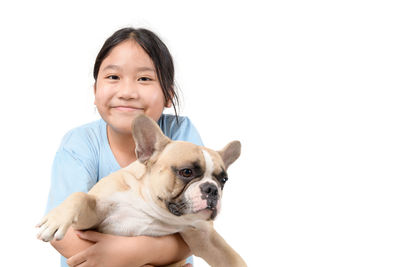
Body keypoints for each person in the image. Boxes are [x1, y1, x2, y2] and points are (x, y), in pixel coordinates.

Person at [45, 27, 203, 267]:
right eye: (113, 77)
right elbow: (60, 232)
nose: (127, 93)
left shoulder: (181, 136)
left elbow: (199, 228)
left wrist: (141, 251)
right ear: (95, 91)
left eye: (144, 79)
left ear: (169, 95)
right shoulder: (80, 145)